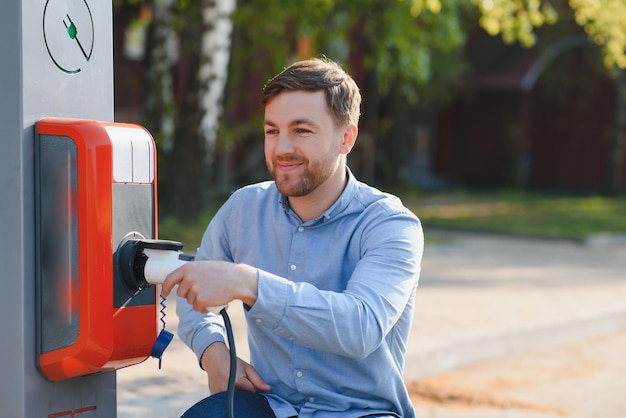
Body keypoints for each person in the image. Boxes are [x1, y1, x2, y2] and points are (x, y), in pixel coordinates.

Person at [162, 57, 424, 418]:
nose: (282, 147)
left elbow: (360, 326)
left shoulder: (390, 225)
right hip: (272, 405)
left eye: (301, 130)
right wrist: (214, 354)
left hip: (361, 411)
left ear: (346, 137)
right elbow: (194, 296)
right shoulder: (243, 209)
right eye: (272, 131)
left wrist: (248, 283)